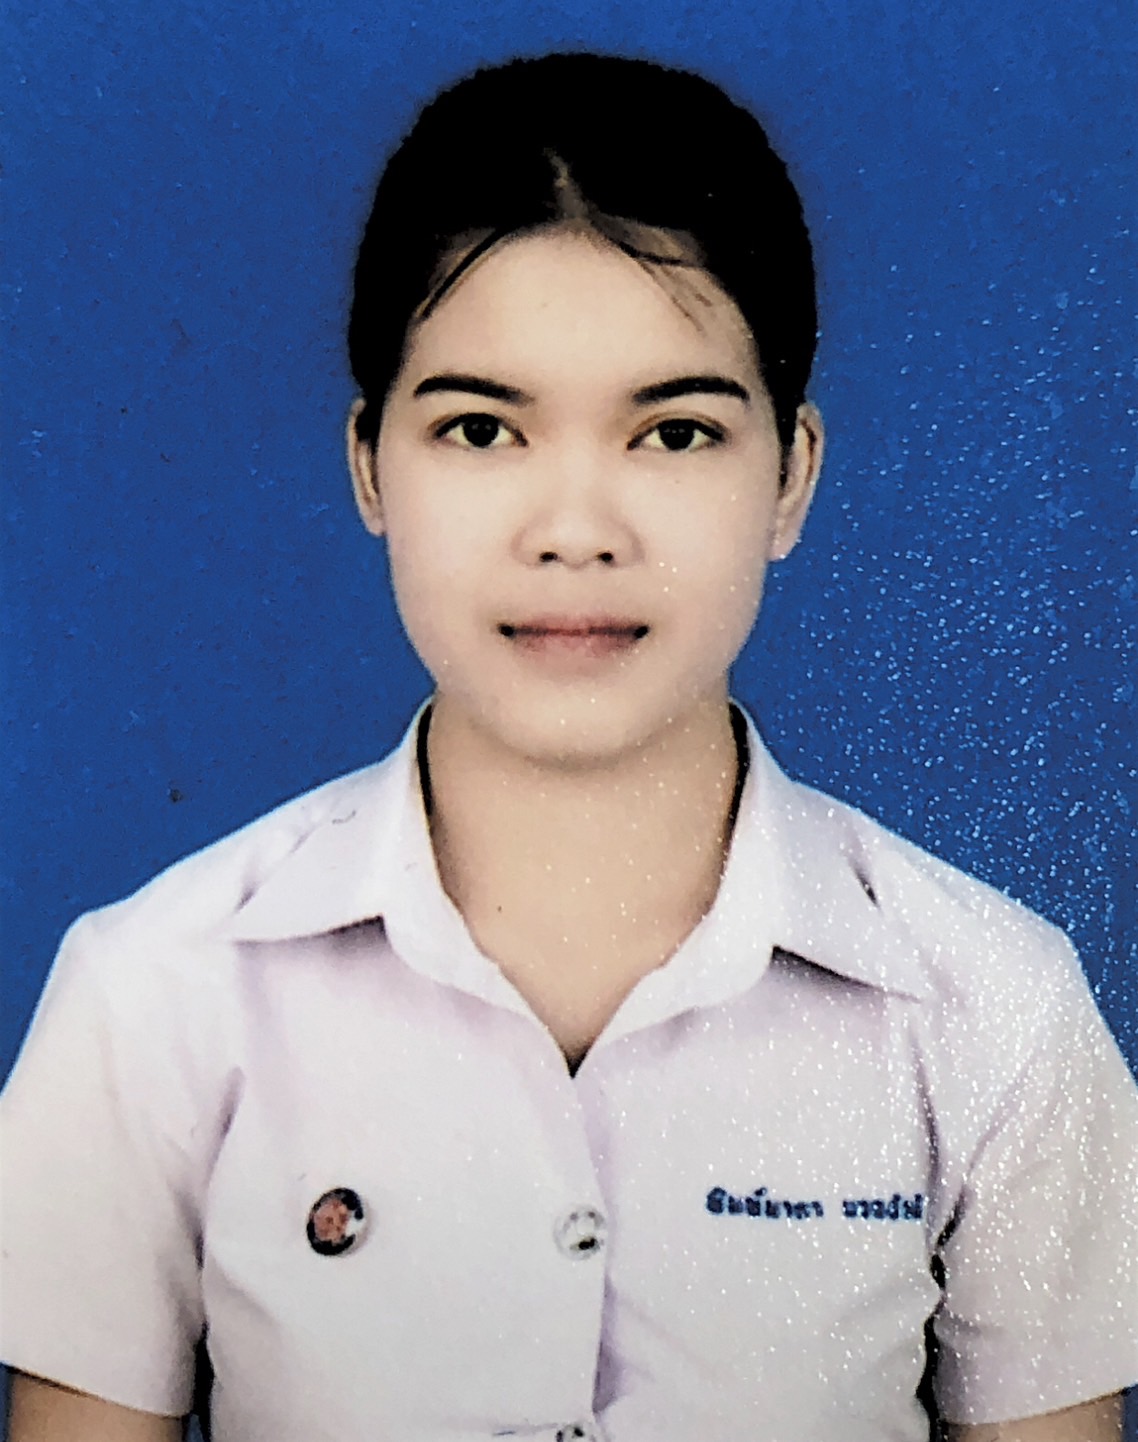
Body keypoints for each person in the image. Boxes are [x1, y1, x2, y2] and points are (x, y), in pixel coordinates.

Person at [2, 51, 1135, 1442]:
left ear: (791, 475)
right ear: (369, 465)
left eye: (676, 432)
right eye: (481, 429)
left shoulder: (994, 1015)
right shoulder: (154, 998)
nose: (576, 530)